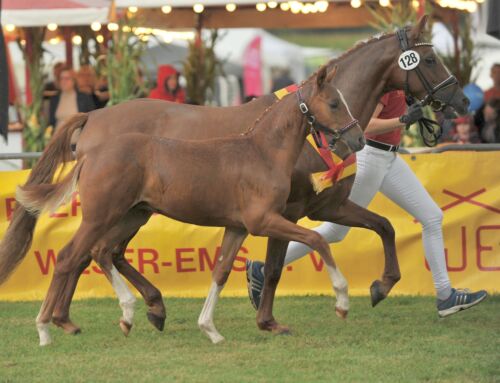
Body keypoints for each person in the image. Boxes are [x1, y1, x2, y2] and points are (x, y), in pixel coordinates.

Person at [246, 90, 487, 317]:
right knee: (336, 231)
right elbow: (366, 124)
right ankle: (263, 269)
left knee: (432, 217)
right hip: (371, 157)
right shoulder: (388, 87)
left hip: (390, 157)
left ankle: (445, 296)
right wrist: (402, 119)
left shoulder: (401, 84)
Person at [48, 67, 96, 131]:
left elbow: (92, 119)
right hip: (58, 136)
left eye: (67, 78)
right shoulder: (54, 99)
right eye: (61, 78)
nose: (63, 81)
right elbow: (51, 123)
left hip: (78, 137)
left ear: (74, 81)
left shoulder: (84, 98)